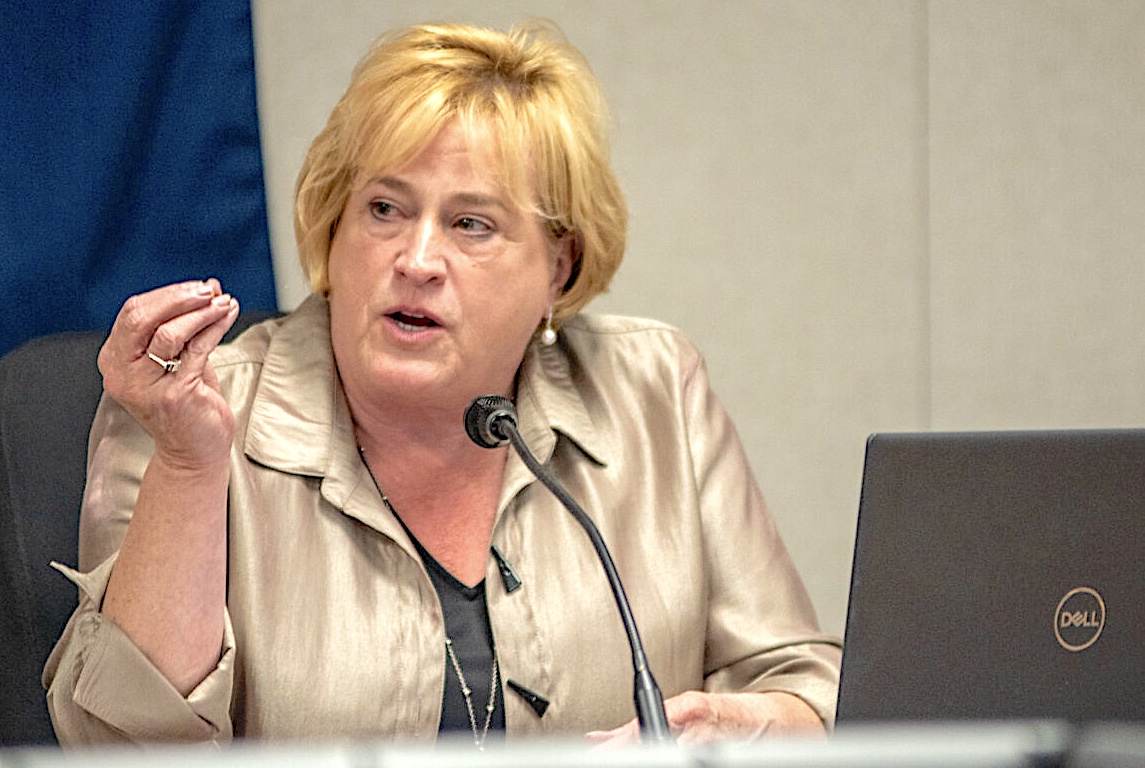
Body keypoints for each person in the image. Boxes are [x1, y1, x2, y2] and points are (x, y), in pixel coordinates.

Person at [43, 20, 841, 748]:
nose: (417, 260)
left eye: (471, 224)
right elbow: (122, 747)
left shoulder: (653, 389)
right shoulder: (195, 411)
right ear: (334, 224)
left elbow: (811, 694)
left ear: (558, 267)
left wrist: (735, 730)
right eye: (385, 208)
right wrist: (188, 465)